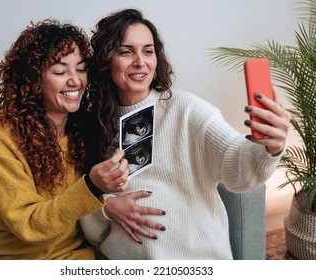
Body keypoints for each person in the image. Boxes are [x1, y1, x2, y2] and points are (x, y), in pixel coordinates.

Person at [80, 8, 292, 259]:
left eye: (148, 51)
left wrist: (270, 148)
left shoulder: (186, 110)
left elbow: (238, 167)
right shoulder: (91, 126)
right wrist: (106, 207)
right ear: (106, 59)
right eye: (126, 51)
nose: (140, 61)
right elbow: (90, 226)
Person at [0, 19, 129, 260]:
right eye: (60, 71)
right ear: (34, 80)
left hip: (72, 258)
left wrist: (107, 204)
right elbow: (28, 224)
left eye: (80, 69)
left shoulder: (84, 129)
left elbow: (85, 206)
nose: (75, 81)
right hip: (7, 260)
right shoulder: (0, 133)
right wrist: (91, 186)